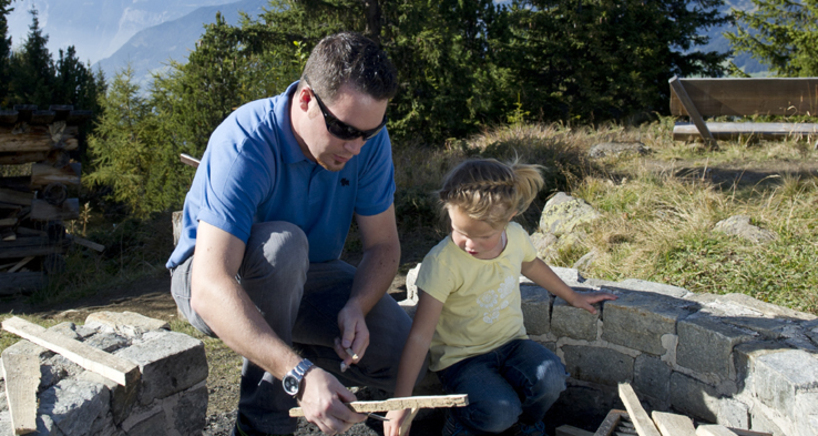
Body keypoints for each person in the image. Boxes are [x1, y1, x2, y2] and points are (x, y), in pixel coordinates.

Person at [167, 32, 420, 436]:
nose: (356, 147)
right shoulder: (245, 142)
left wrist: (357, 304)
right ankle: (263, 423)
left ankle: (345, 397)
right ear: (305, 100)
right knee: (285, 247)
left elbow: (384, 246)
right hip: (212, 279)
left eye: (368, 133)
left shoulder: (366, 141)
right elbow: (208, 285)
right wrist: (297, 373)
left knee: (408, 357)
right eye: (344, 129)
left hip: (310, 277)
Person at [383, 158, 617, 436]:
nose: (470, 245)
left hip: (511, 343)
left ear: (510, 217)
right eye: (460, 232)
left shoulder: (515, 237)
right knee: (499, 411)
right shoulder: (443, 264)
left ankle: (526, 426)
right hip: (461, 360)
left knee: (552, 377)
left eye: (484, 237)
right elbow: (421, 335)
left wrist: (572, 296)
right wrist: (400, 401)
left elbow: (531, 264)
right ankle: (462, 422)